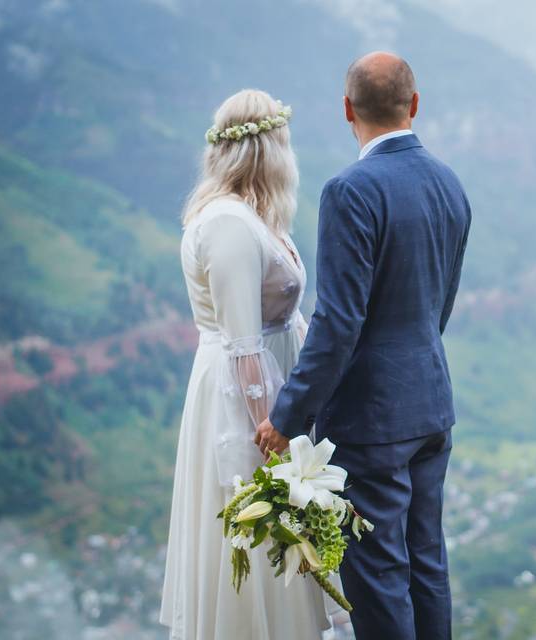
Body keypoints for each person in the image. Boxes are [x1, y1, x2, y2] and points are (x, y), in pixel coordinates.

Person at [256, 52, 471, 640]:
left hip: (373, 421)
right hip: (430, 406)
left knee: (377, 576)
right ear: (416, 104)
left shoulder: (351, 190)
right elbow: (439, 305)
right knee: (427, 561)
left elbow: (339, 321)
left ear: (346, 109)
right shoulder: (449, 183)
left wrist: (287, 415)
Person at [160, 89, 338, 639]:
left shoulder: (254, 219)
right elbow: (244, 344)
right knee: (261, 535)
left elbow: (285, 324)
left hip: (273, 389)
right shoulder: (230, 225)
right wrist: (274, 430)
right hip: (245, 403)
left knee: (279, 543)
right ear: (270, 150)